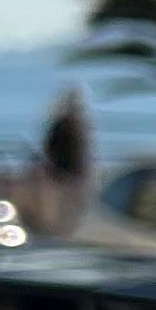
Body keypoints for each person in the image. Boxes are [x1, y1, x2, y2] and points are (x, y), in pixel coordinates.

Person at [37, 89, 92, 237]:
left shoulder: (73, 125)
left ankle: (63, 230)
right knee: (64, 204)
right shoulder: (72, 125)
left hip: (67, 172)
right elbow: (52, 146)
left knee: (67, 204)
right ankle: (61, 231)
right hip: (64, 172)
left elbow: (50, 146)